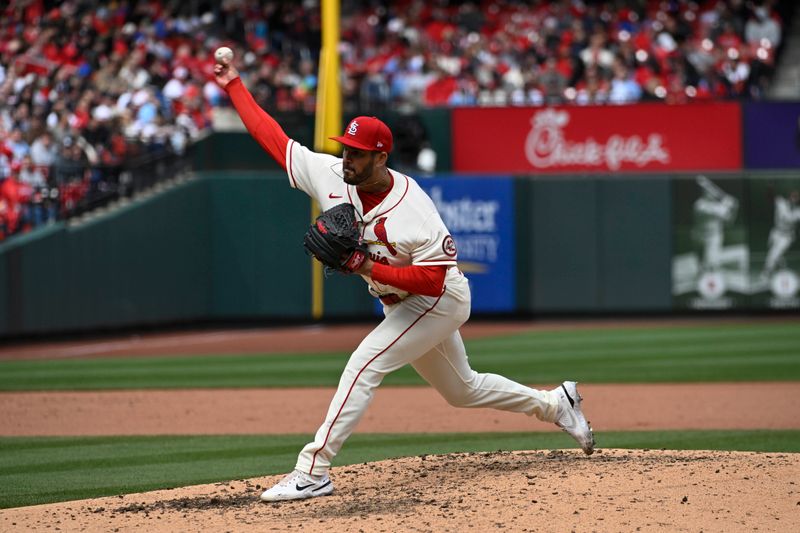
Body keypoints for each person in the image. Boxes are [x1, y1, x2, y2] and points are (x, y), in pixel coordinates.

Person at [213, 56, 595, 503]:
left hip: (439, 299)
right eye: (345, 148)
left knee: (363, 366)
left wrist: (365, 267)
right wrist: (234, 84)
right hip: (398, 300)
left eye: (356, 152)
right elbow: (273, 139)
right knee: (462, 389)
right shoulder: (332, 175)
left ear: (380, 156)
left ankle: (312, 470)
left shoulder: (414, 209)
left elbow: (433, 282)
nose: (346, 158)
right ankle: (556, 405)